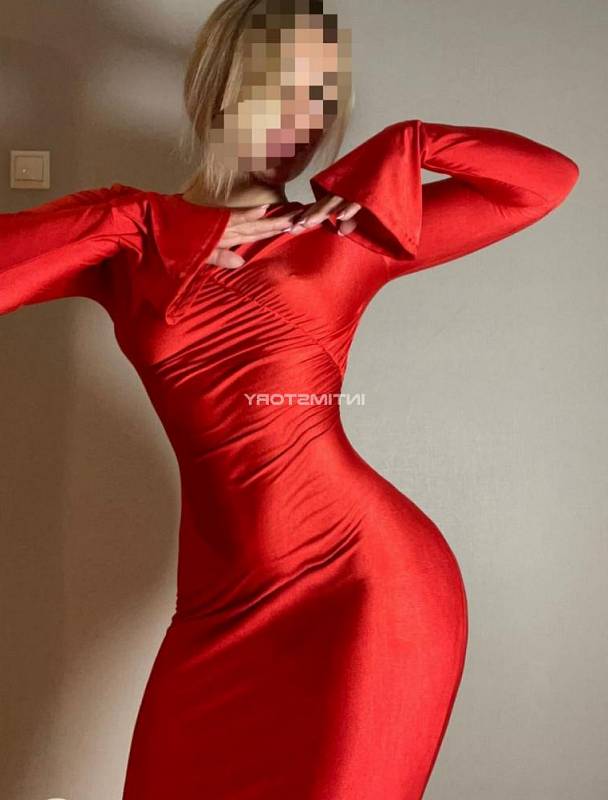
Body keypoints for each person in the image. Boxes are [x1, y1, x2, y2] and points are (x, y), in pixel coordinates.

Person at [0, 1, 579, 798]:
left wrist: (413, 143)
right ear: (223, 88)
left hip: (362, 593)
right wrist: (143, 220)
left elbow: (543, 183)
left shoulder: (342, 235)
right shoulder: (132, 238)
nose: (309, 121)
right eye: (287, 88)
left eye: (325, 98)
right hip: (216, 610)